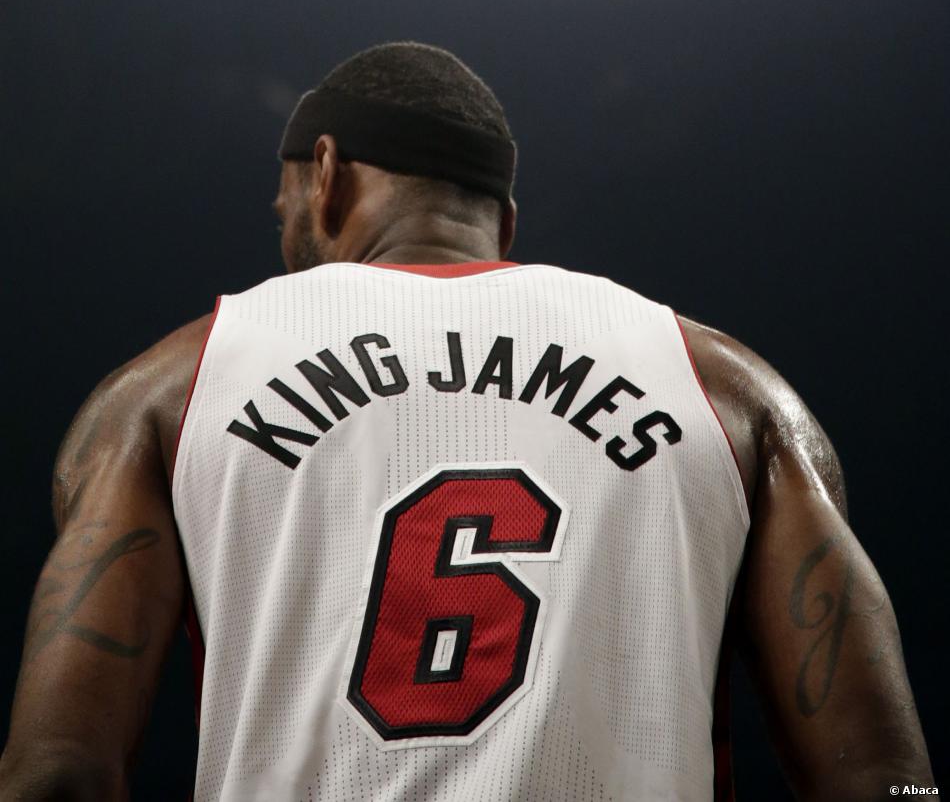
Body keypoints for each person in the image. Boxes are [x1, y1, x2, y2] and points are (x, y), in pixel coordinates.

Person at [0, 41, 932, 802]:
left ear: (324, 174)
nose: (278, 217)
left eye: (282, 196)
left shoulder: (171, 387)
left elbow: (58, 771)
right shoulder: (728, 390)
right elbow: (883, 779)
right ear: (504, 226)